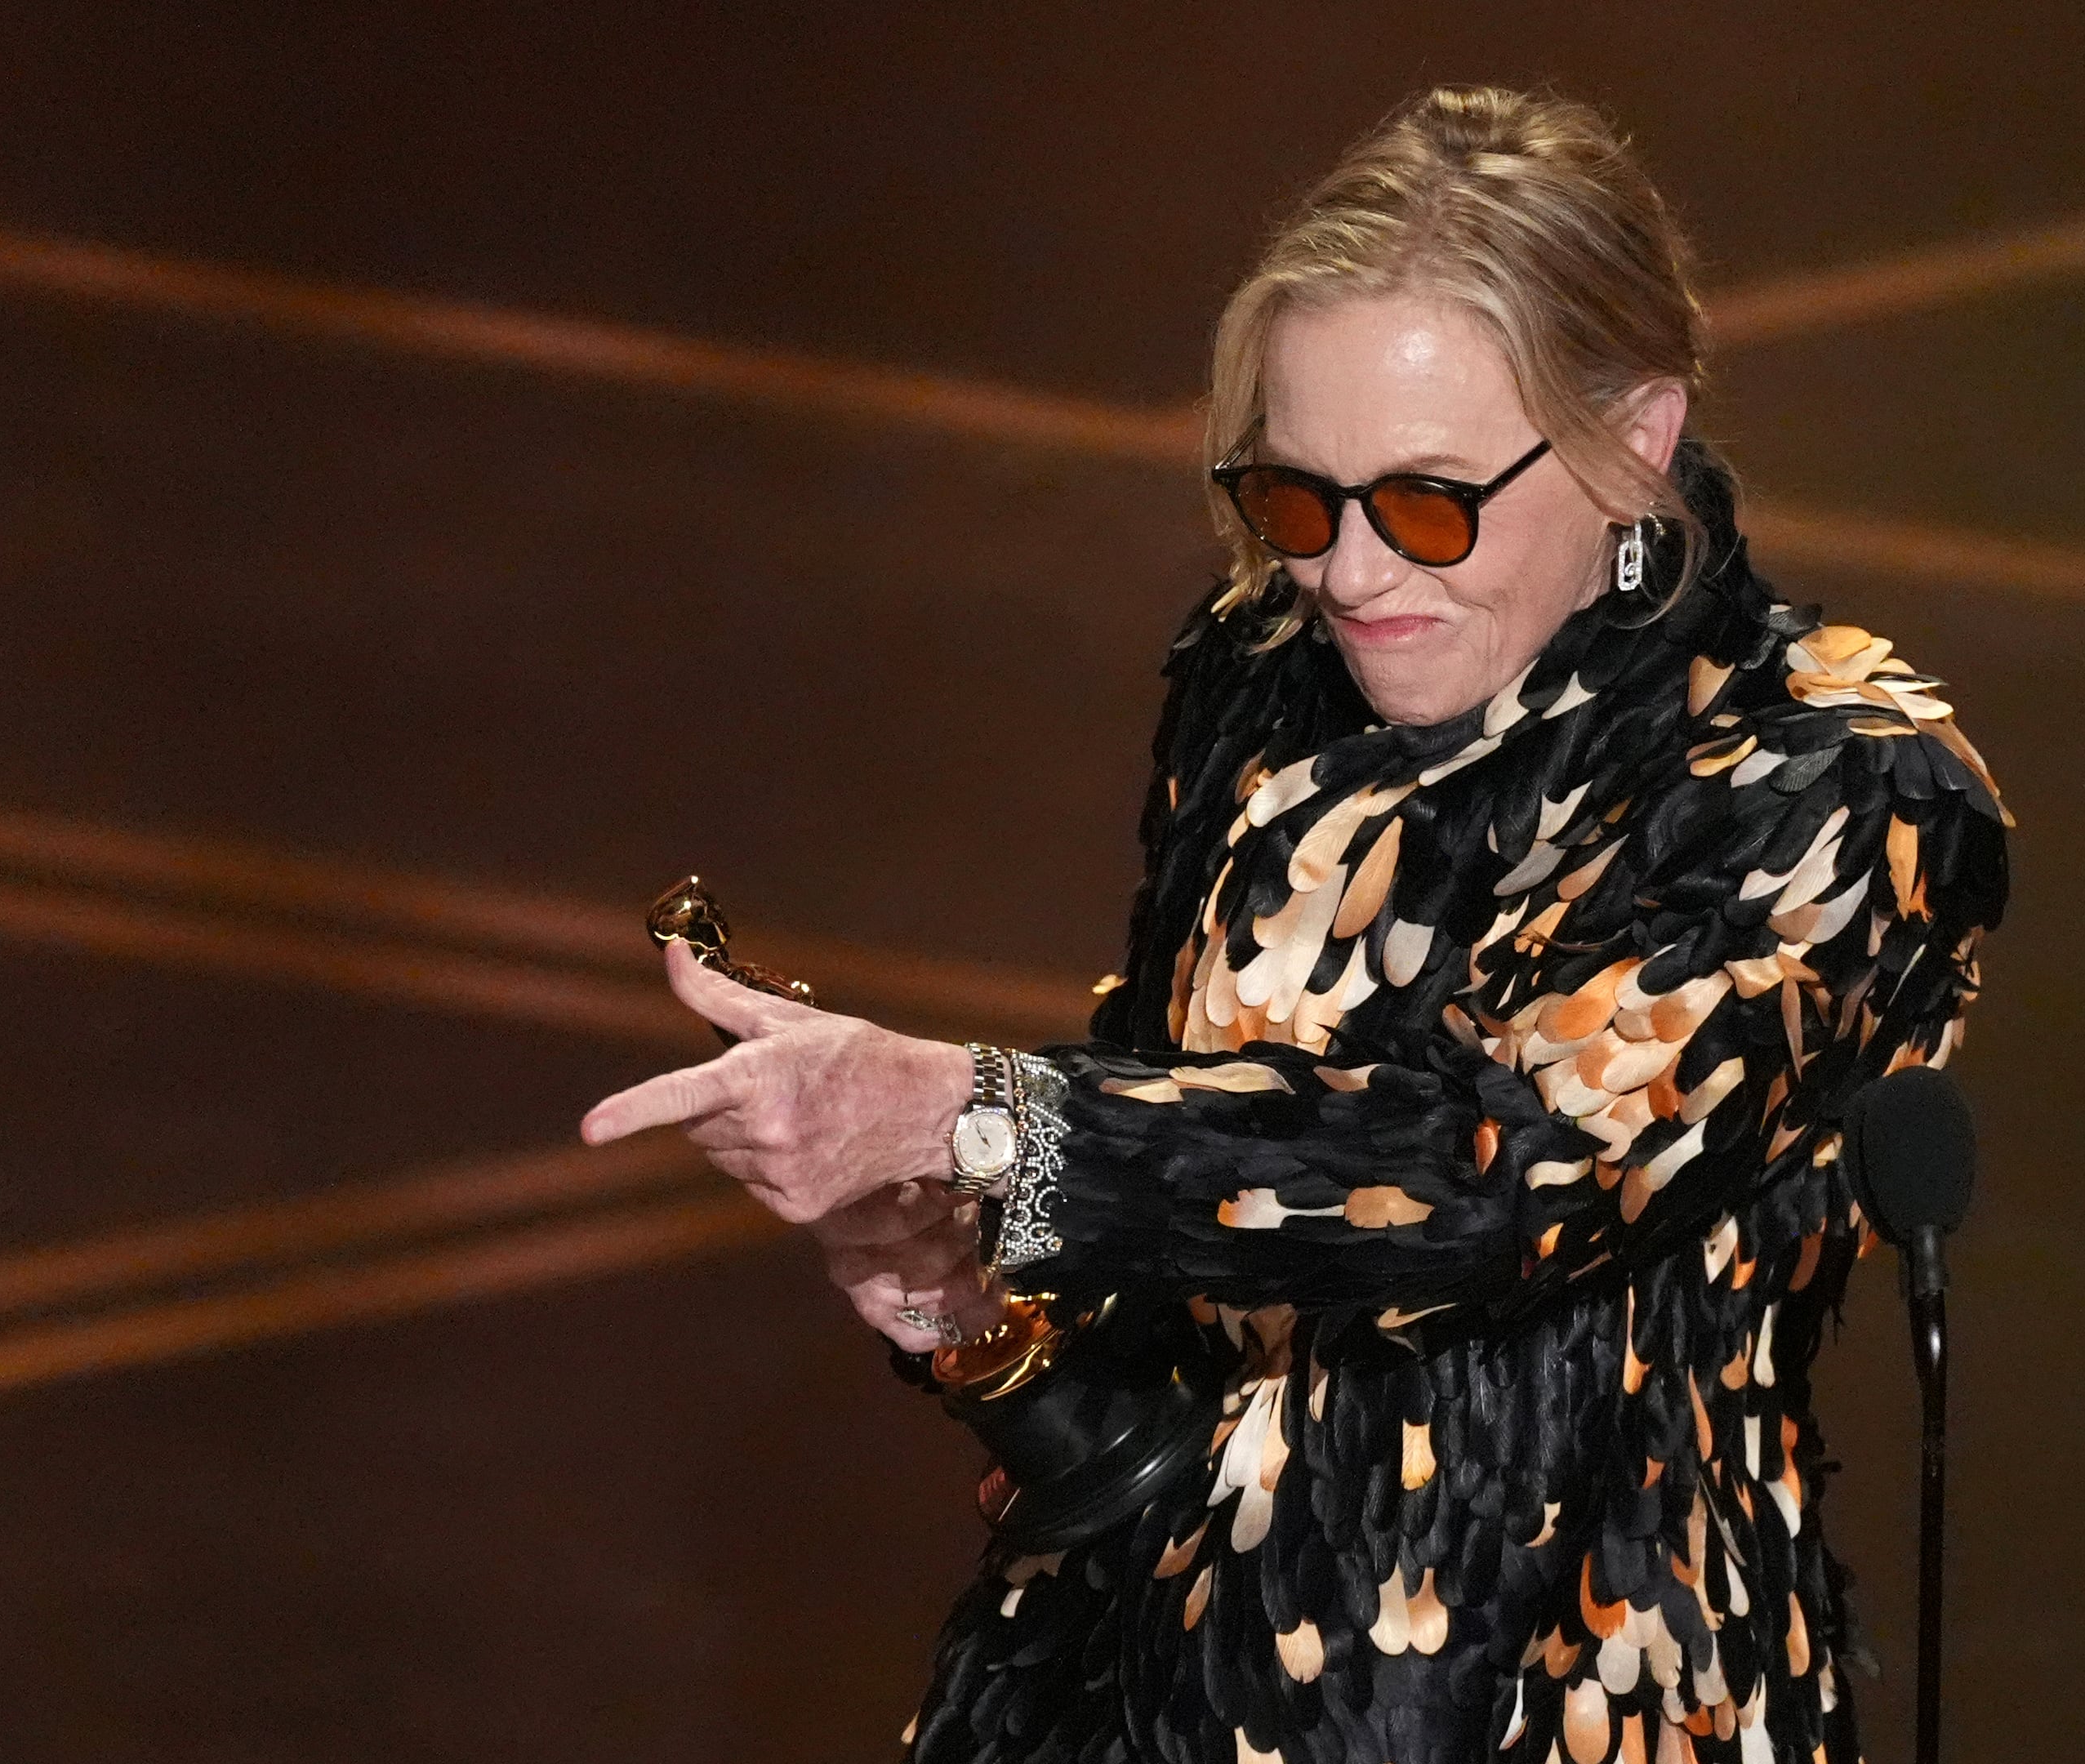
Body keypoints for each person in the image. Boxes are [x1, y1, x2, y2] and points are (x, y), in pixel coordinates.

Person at [583, 83, 2008, 1764]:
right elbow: (1198, 1163)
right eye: (1295, 498)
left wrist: (983, 1118)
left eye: (1428, 501)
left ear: (1636, 435)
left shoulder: (1835, 785)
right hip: (1148, 1681)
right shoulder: (1271, 671)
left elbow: (1502, 1171)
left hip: (1548, 1701)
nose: (1348, 573)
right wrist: (978, 1296)